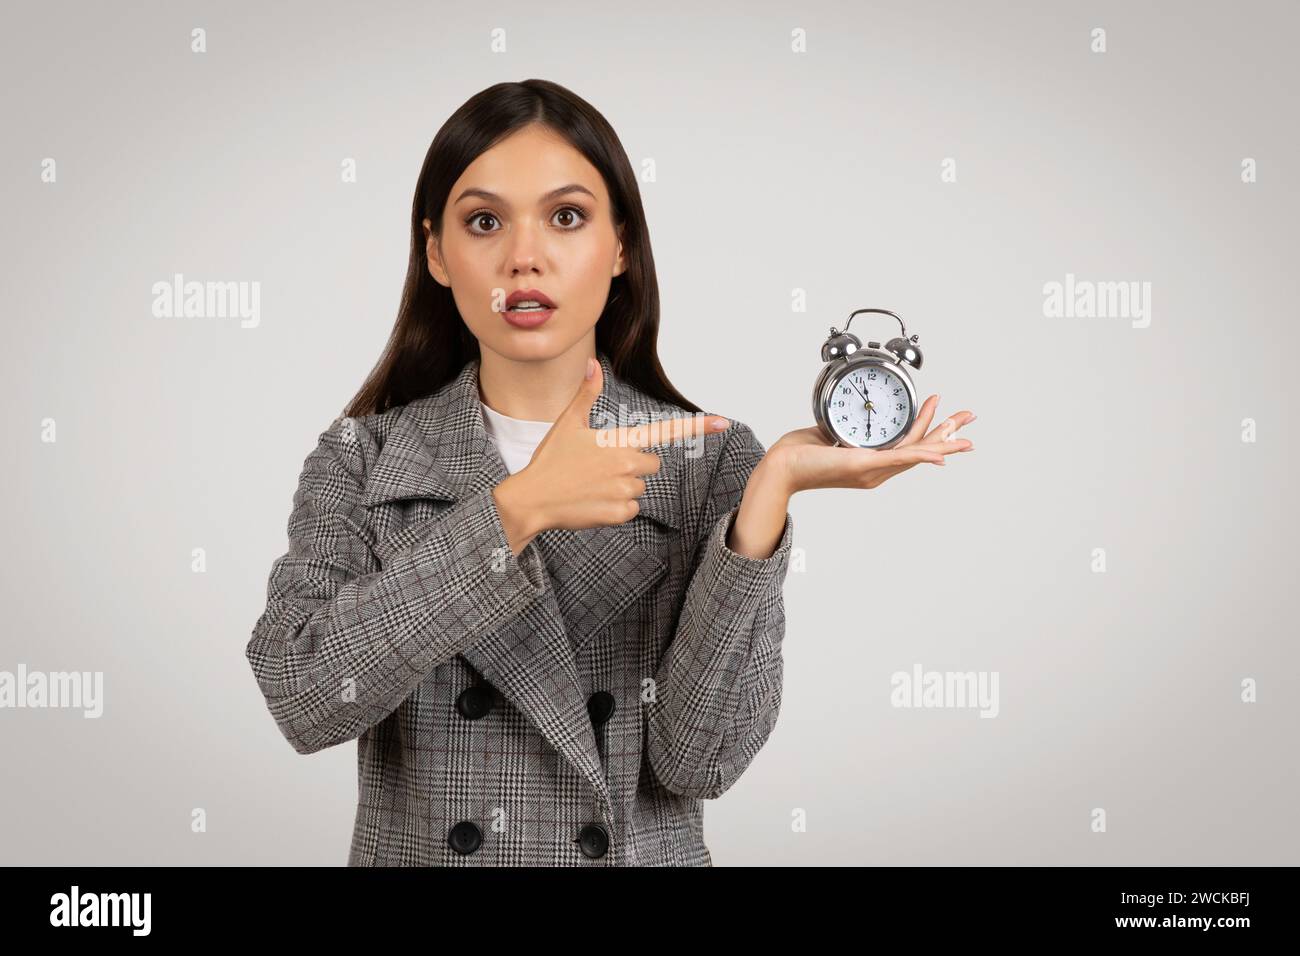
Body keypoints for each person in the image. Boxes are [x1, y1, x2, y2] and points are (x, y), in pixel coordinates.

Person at [245, 79, 975, 866]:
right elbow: (304, 699)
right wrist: (515, 511)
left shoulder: (712, 463)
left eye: (566, 216)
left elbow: (700, 760)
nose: (525, 257)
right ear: (436, 253)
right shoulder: (362, 458)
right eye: (484, 221)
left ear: (620, 245)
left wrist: (769, 494)